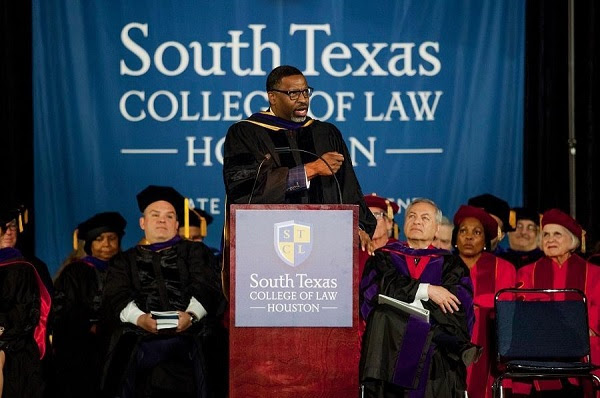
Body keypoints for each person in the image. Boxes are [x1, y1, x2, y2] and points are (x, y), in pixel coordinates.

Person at [222, 65, 376, 246]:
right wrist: (309, 170)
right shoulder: (246, 133)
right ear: (272, 97)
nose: (303, 100)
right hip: (266, 244)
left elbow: (348, 188)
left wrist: (356, 227)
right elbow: (243, 189)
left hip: (326, 243)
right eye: (293, 94)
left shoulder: (326, 134)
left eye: (306, 92)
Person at [102, 185, 227, 398]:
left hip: (192, 336)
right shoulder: (123, 261)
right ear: (143, 223)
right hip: (139, 337)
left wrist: (191, 316)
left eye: (169, 216)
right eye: (155, 215)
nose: (162, 220)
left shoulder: (196, 252)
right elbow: (116, 295)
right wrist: (140, 319)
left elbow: (208, 287)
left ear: (177, 224)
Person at [359, 198, 475, 398]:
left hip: (434, 362)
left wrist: (403, 303)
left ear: (437, 228)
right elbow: (374, 294)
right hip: (390, 354)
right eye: (411, 216)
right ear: (403, 224)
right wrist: (428, 291)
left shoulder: (451, 264)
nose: (417, 221)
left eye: (425, 217)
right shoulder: (383, 257)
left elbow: (457, 307)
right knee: (382, 314)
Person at [517, 208, 600, 393]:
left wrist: (584, 329)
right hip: (541, 348)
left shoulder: (593, 273)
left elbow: (597, 310)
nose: (550, 239)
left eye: (557, 234)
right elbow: (525, 311)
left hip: (584, 348)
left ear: (572, 240)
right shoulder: (527, 272)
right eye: (545, 234)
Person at [52, 212, 127, 398]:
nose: (106, 245)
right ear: (89, 244)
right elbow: (64, 312)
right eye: (99, 239)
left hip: (120, 346)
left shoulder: (126, 270)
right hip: (83, 351)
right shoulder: (74, 272)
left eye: (112, 238)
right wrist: (89, 326)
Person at [452, 205, 516, 398]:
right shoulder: (443, 265)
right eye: (463, 231)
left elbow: (507, 311)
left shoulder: (503, 268)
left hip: (489, 345)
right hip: (451, 343)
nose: (469, 237)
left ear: (486, 240)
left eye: (476, 232)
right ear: (455, 238)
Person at [0, 203, 51, 397]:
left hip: (20, 349)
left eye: (12, 225)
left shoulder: (31, 266)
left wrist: (2, 327)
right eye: (3, 227)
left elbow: (31, 310)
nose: (8, 232)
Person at [358, 193, 399, 278]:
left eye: (376, 216)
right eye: (366, 217)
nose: (371, 222)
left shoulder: (401, 251)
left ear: (389, 223)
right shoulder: (354, 254)